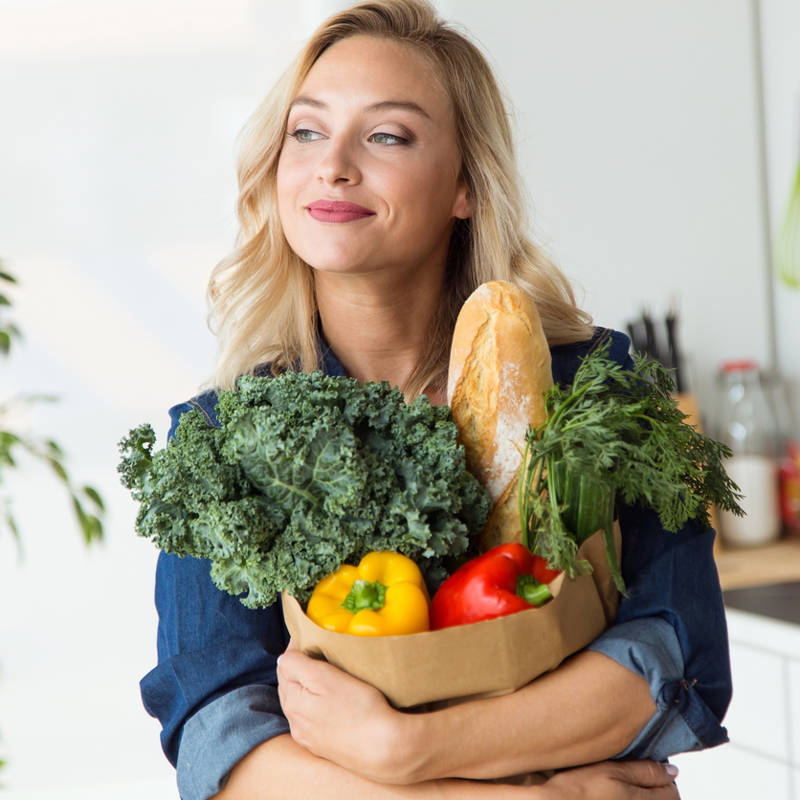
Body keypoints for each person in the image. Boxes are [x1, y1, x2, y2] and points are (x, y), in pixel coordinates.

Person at [140, 2, 731, 798]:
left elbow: (674, 657)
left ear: (465, 184)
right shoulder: (218, 441)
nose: (333, 165)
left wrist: (402, 752)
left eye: (386, 135)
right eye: (307, 131)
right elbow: (227, 747)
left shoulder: (595, 384)